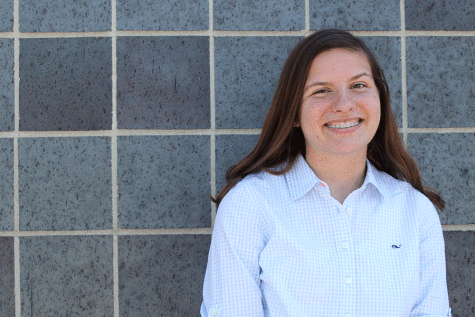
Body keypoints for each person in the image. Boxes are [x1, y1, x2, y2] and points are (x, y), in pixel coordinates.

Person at [201, 29, 451, 316]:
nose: (344, 104)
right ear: (293, 112)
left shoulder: (416, 213)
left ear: (379, 99)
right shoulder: (250, 206)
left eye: (358, 85)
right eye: (322, 90)